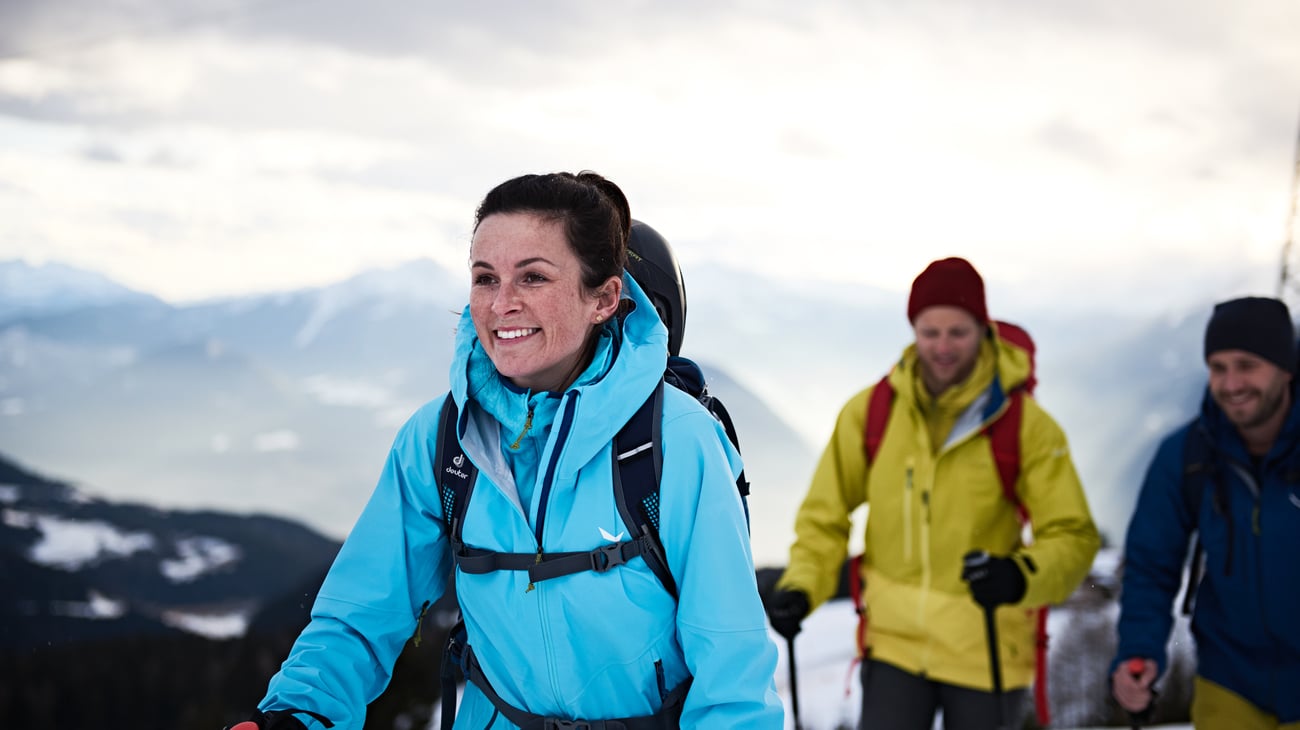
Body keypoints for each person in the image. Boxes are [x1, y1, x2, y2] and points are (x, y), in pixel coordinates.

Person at [228, 171, 783, 729]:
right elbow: (361, 614)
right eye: (485, 278)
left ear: (605, 298)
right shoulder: (441, 440)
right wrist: (298, 715)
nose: (501, 304)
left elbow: (731, 668)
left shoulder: (674, 441)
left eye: (534, 277)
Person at [765, 257, 1100, 730]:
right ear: (913, 331)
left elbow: (1073, 534)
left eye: (957, 332)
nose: (942, 347)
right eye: (930, 332)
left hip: (986, 650)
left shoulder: (1026, 426)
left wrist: (1020, 575)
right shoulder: (872, 414)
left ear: (984, 330)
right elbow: (825, 516)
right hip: (893, 648)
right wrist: (802, 587)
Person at [1111, 296, 1300, 729]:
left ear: (1286, 366)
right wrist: (1138, 651)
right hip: (1229, 679)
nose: (1231, 383)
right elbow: (1151, 564)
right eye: (1218, 367)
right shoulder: (1189, 455)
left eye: (1247, 365)